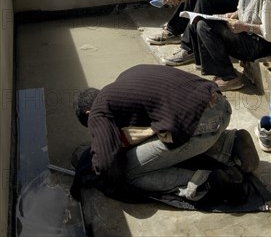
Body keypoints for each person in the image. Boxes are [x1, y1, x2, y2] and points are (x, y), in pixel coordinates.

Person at [73, 64, 259, 203]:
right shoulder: (127, 77)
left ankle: (204, 182)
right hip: (221, 106)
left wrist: (104, 177)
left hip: (200, 125)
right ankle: (231, 143)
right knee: (168, 135)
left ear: (88, 113)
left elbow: (106, 164)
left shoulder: (98, 111)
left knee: (129, 172)